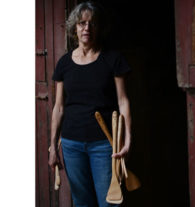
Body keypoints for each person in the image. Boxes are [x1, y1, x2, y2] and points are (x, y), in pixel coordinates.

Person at [48, 2, 132, 207]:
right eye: (82, 23)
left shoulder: (113, 59)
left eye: (92, 23)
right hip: (71, 144)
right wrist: (52, 146)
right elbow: (59, 107)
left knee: (109, 203)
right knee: (81, 202)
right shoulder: (64, 63)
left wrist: (128, 139)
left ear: (99, 28)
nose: (87, 28)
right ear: (74, 28)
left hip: (105, 145)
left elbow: (123, 101)